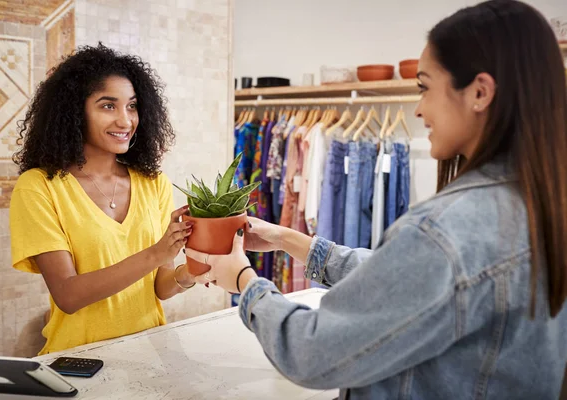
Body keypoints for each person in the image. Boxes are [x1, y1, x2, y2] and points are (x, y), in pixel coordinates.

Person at [186, 1, 567, 398]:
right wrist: (289, 239)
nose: (418, 109)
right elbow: (413, 285)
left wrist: (245, 281)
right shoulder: (542, 203)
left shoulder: (444, 230)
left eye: (424, 87)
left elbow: (312, 352)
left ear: (480, 92)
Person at [9, 44, 200, 355]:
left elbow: (160, 287)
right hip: (79, 363)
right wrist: (155, 253)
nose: (125, 121)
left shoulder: (154, 184)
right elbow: (68, 296)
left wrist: (189, 273)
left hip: (152, 355)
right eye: (108, 106)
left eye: (132, 106)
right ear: (75, 112)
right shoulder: (39, 188)